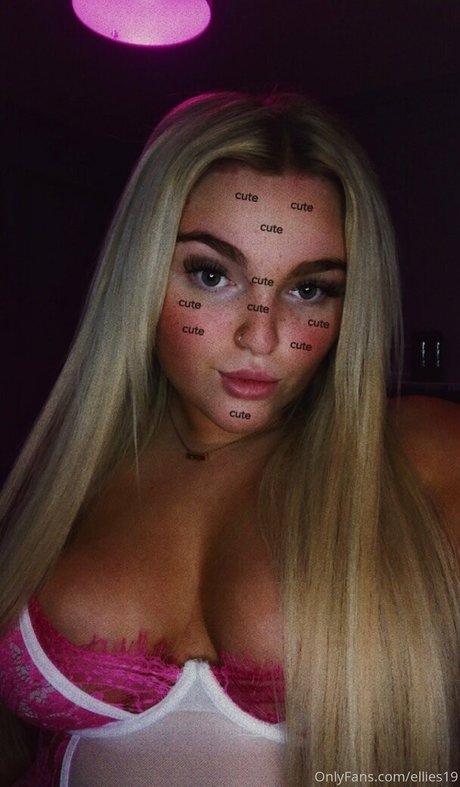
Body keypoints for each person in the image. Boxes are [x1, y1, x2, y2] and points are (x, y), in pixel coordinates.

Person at [0, 91, 459, 786]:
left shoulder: (419, 458)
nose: (261, 336)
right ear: (142, 273)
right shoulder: (68, 471)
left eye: (310, 289)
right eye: (212, 274)